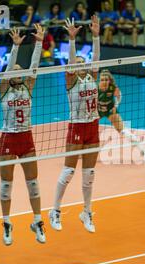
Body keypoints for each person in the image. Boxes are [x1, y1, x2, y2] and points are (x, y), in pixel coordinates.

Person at [48, 16, 101, 233]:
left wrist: (96, 36)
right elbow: (70, 63)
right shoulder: (71, 82)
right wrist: (72, 40)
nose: (80, 65)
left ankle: (86, 212)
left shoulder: (91, 78)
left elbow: (96, 58)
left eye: (82, 62)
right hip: (77, 126)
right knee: (68, 171)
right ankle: (55, 211)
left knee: (89, 175)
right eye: (76, 63)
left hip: (93, 125)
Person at [0, 24, 46, 245]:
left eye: (20, 69)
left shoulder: (28, 87)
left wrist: (39, 42)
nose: (17, 71)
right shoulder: (4, 89)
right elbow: (9, 71)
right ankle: (7, 224)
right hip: (8, 138)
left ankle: (37, 221)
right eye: (14, 69)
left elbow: (34, 66)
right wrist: (15, 48)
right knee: (6, 185)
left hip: (26, 137)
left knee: (33, 183)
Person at [97, 69, 145, 162]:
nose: (104, 82)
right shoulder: (96, 88)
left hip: (111, 111)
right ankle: (83, 152)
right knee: (88, 129)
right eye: (102, 80)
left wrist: (115, 106)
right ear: (99, 80)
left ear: (109, 80)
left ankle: (144, 151)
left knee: (124, 131)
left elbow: (119, 96)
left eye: (106, 80)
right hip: (99, 111)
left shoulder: (112, 87)